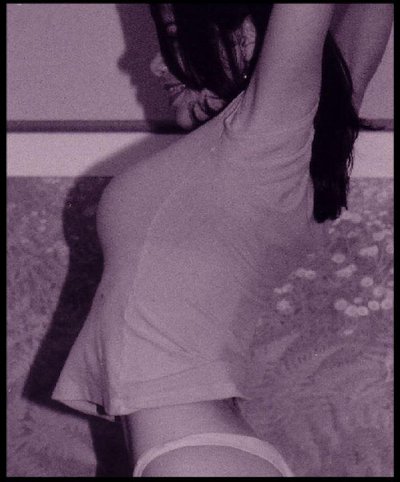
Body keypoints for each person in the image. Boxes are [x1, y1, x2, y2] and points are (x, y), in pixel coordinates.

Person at [52, 4, 393, 477]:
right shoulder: (268, 150)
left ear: (248, 34)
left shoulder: (263, 138)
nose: (152, 64)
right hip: (197, 450)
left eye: (174, 38)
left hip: (193, 455)